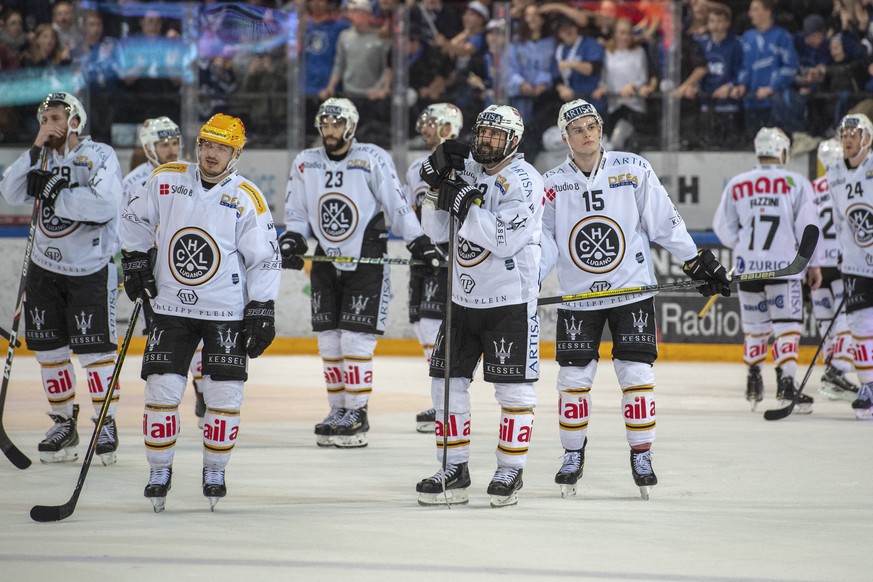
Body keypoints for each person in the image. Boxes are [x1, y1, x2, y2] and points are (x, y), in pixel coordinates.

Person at [539, 99, 730, 500]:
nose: (587, 133)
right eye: (578, 129)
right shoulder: (551, 183)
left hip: (631, 292)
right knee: (572, 381)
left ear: (601, 128)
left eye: (593, 125)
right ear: (565, 138)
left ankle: (641, 454)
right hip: (579, 299)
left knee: (637, 377)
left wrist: (695, 261)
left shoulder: (633, 168)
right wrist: (526, 282)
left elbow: (665, 220)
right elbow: (544, 243)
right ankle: (572, 455)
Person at [120, 113, 280, 512]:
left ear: (235, 153)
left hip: (225, 311)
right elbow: (134, 217)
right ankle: (159, 470)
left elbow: (265, 259)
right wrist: (136, 259)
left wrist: (261, 308)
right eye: (207, 144)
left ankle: (215, 470)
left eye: (221, 147)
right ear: (198, 146)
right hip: (170, 305)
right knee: (161, 390)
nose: (212, 153)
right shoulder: (167, 178)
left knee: (224, 396)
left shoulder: (247, 196)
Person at [281, 97, 439, 448]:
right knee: (329, 341)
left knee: (355, 340)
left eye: (336, 124)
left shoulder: (371, 157)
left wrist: (418, 241)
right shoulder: (306, 162)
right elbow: (297, 212)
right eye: (325, 124)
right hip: (325, 258)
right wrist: (293, 240)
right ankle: (337, 410)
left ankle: (358, 411)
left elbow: (396, 205)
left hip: (367, 256)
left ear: (350, 126)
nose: (330, 130)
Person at [415, 104, 544, 508]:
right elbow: (435, 231)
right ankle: (453, 466)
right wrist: (435, 190)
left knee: (513, 391)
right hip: (461, 298)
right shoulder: (466, 168)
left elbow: (504, 240)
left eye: (496, 135)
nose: (486, 140)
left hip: (509, 300)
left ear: (514, 142)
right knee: (445, 385)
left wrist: (467, 204)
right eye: (483, 132)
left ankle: (510, 469)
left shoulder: (526, 181)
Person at [0, 92, 124, 465]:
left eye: (56, 117)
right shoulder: (40, 157)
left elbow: (105, 205)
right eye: (44, 119)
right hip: (43, 269)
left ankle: (106, 423)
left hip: (89, 270)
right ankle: (62, 422)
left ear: (75, 121)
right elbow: (9, 190)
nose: (49, 124)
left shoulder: (100, 155)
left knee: (95, 353)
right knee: (50, 353)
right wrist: (37, 146)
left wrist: (57, 192)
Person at [713, 127, 822, 412]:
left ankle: (753, 379)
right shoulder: (797, 182)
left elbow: (722, 228)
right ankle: (786, 384)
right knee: (787, 328)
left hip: (748, 269)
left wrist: (744, 248)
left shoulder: (738, 183)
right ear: (783, 151)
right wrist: (814, 263)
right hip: (785, 268)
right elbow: (809, 228)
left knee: (755, 329)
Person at [123, 117, 208, 427]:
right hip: (152, 271)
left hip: (185, 268)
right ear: (148, 147)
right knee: (164, 336)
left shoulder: (189, 174)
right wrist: (133, 264)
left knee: (196, 336)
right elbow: (128, 230)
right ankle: (164, 401)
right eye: (163, 144)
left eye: (174, 143)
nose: (171, 150)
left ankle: (203, 395)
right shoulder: (133, 182)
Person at [403, 103, 462, 432]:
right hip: (422, 255)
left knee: (432, 325)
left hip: (449, 254)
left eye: (431, 122)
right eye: (423, 122)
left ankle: (446, 403)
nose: (424, 127)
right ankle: (440, 401)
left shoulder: (463, 163)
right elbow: (409, 210)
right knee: (419, 322)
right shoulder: (416, 167)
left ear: (449, 126)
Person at [823, 113, 873, 420]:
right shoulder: (834, 174)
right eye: (844, 133)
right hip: (856, 264)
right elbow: (842, 222)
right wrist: (846, 255)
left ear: (866, 138)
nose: (847, 138)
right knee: (860, 327)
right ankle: (868, 386)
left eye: (854, 133)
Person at [810, 138, 859, 400]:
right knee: (845, 322)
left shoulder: (811, 188)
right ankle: (836, 373)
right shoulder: (846, 183)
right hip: (841, 263)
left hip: (817, 265)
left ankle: (832, 373)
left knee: (826, 323)